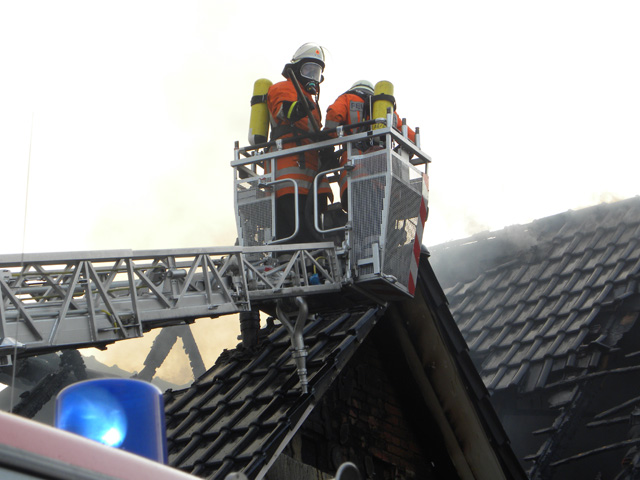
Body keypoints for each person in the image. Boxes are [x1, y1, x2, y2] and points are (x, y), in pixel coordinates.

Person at [266, 42, 332, 243]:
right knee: (297, 233)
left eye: (316, 72)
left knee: (313, 233)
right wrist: (296, 109)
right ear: (295, 69)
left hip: (311, 177)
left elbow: (312, 132)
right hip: (290, 175)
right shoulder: (283, 87)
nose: (312, 77)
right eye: (308, 70)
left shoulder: (309, 100)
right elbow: (282, 110)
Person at [324, 80, 416, 208]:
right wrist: (396, 153)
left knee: (358, 215)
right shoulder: (386, 110)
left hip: (356, 172)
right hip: (384, 175)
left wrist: (327, 142)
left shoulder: (347, 98)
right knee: (379, 215)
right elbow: (412, 139)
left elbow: (334, 115)